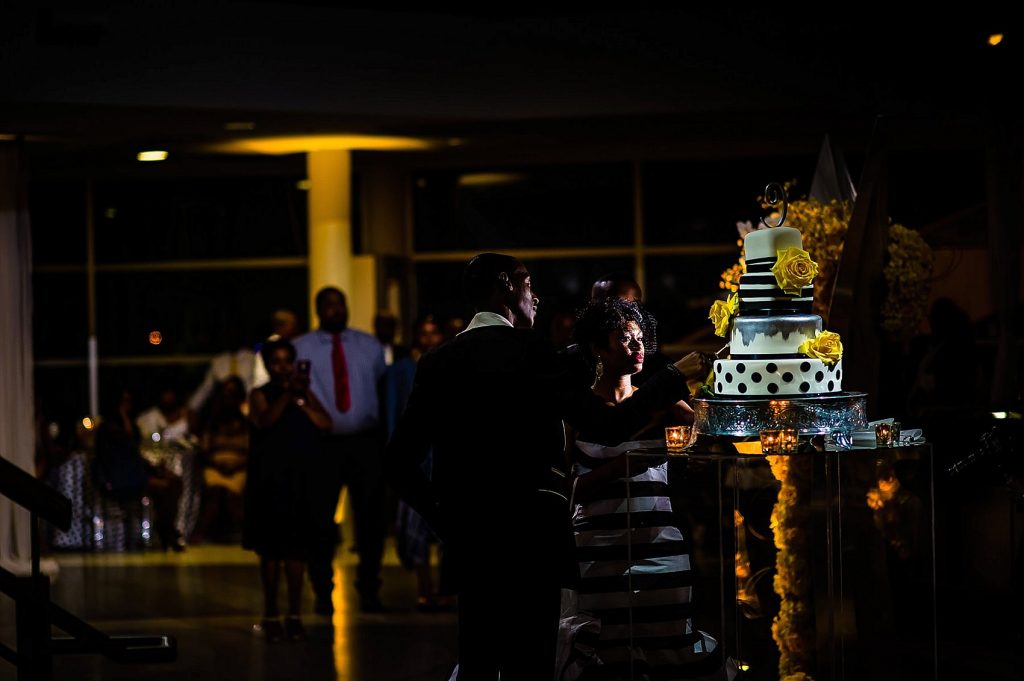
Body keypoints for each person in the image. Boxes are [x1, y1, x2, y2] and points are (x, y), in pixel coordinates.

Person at [385, 253, 712, 680]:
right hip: (532, 542)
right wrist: (671, 378)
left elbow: (398, 462)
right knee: (531, 665)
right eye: (527, 283)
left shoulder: (438, 362)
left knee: (479, 659)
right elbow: (607, 426)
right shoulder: (529, 350)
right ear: (505, 285)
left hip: (472, 545)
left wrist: (447, 521)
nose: (535, 296)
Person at [559, 297, 727, 681]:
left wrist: (699, 453)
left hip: (660, 548)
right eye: (623, 339)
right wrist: (627, 466)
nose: (637, 347)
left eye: (639, 338)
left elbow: (708, 429)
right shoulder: (580, 409)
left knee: (670, 651)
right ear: (598, 348)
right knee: (605, 660)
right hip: (596, 551)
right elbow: (566, 491)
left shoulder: (661, 401)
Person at [293, 286, 389, 614]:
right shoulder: (300, 348)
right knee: (319, 521)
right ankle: (322, 590)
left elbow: (380, 387)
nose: (335, 309)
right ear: (318, 309)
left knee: (370, 522)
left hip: (365, 442)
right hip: (323, 446)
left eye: (340, 303)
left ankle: (370, 588)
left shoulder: (369, 345)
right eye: (328, 305)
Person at [244, 338, 332, 642]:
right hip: (269, 481)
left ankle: (294, 614)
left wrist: (303, 395)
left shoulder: (303, 395)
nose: (282, 366)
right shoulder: (260, 394)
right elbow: (265, 421)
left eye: (287, 360)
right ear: (268, 365)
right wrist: (286, 394)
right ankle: (270, 613)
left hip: (298, 481)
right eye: (276, 361)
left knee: (297, 551)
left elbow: (326, 423)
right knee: (270, 552)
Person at [385, 314, 454, 611]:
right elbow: (392, 416)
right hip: (415, 455)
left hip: (443, 454)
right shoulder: (400, 371)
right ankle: (424, 587)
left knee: (444, 526)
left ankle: (443, 588)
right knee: (415, 527)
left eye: (433, 333)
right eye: (422, 334)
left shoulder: (449, 365)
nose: (428, 340)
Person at [589, 271, 675, 385]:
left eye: (623, 306)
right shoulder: (570, 361)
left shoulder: (659, 367)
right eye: (600, 305)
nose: (608, 311)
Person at [193, 375, 249, 544]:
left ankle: (243, 535)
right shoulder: (212, 423)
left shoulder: (246, 423)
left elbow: (251, 451)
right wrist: (219, 464)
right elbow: (204, 450)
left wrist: (236, 464)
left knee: (234, 498)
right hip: (215, 468)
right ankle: (199, 537)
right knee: (214, 494)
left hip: (240, 469)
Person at [252, 308, 301, 389]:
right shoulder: (270, 347)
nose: (295, 328)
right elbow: (260, 378)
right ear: (281, 325)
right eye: (292, 324)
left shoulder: (290, 344)